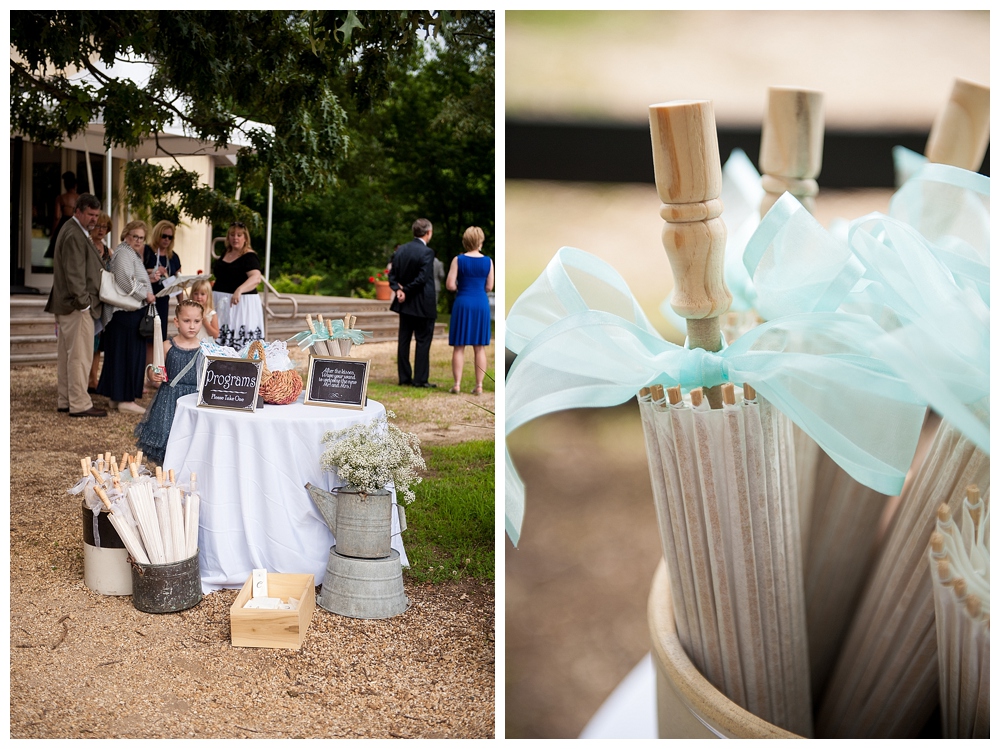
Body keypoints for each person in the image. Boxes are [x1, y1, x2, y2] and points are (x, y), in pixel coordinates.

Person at [44, 193, 106, 417]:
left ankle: (66, 400)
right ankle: (79, 404)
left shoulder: (74, 231)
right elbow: (74, 274)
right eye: (90, 214)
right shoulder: (73, 234)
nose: (94, 219)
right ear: (77, 211)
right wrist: (85, 305)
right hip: (75, 307)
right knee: (79, 357)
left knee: (69, 356)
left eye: (96, 215)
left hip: (68, 305)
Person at [95, 220, 157, 414]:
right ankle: (125, 400)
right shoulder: (123, 252)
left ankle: (117, 397)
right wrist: (145, 294)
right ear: (126, 235)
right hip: (124, 313)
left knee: (121, 355)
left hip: (126, 314)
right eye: (134, 236)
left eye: (141, 238)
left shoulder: (130, 253)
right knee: (127, 356)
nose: (138, 240)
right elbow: (123, 280)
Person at [134, 299, 205, 465]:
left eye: (197, 321)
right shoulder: (167, 345)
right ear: (177, 322)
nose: (192, 326)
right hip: (169, 399)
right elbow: (153, 368)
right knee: (169, 437)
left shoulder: (205, 348)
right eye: (187, 321)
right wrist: (153, 375)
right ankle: (167, 473)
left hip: (194, 398)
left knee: (192, 439)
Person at [388, 218, 438, 388]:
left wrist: (398, 290)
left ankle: (404, 377)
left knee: (404, 340)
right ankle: (420, 379)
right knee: (423, 341)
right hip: (423, 303)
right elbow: (422, 279)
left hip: (405, 304)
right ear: (428, 232)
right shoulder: (427, 252)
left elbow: (392, 274)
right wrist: (406, 290)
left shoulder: (401, 250)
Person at [445, 226, 494, 395]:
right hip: (480, 303)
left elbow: (450, 285)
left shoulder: (458, 260)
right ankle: (479, 385)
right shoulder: (488, 261)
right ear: (480, 242)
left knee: (459, 346)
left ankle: (457, 384)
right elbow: (489, 286)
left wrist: (462, 286)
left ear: (465, 241)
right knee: (479, 347)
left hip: (463, 302)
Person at [212, 222, 264, 349]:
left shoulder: (249, 256)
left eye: (239, 235)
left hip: (240, 304)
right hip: (220, 302)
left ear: (245, 238)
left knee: (238, 341)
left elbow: (256, 278)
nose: (235, 238)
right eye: (232, 235)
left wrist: (239, 289)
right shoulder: (225, 253)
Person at [87, 212, 113, 392]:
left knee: (97, 346)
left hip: (104, 303)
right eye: (98, 226)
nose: (101, 230)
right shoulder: (86, 246)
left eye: (104, 227)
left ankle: (93, 379)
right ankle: (84, 379)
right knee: (86, 343)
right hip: (88, 301)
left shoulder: (109, 251)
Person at [144, 220, 182, 340]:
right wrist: (151, 271)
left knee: (160, 336)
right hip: (147, 300)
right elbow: (136, 272)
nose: (166, 239)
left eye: (170, 237)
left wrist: (181, 304)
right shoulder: (147, 251)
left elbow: (179, 282)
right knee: (146, 334)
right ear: (157, 235)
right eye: (163, 236)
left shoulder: (173, 256)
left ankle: (157, 359)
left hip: (163, 301)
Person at [44, 171, 79, 259]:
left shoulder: (61, 198)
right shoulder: (80, 198)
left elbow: (57, 216)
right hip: (76, 224)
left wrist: (53, 233)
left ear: (65, 184)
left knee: (58, 252)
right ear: (75, 184)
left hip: (63, 225)